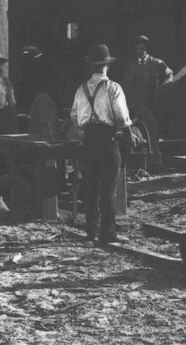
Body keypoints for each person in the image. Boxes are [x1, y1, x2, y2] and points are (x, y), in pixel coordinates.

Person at [70, 44, 132, 243]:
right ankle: (108, 232)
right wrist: (130, 135)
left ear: (91, 66)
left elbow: (73, 116)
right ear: (107, 65)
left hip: (89, 140)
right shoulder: (113, 87)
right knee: (108, 190)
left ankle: (91, 230)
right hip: (108, 140)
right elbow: (122, 118)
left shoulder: (81, 89)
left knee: (91, 188)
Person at [120, 35, 173, 164]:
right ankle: (132, 161)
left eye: (142, 48)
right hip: (132, 103)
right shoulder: (130, 65)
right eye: (137, 49)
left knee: (152, 128)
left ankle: (155, 160)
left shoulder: (156, 63)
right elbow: (125, 86)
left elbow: (169, 74)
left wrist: (161, 89)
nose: (139, 51)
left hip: (149, 103)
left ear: (146, 49)